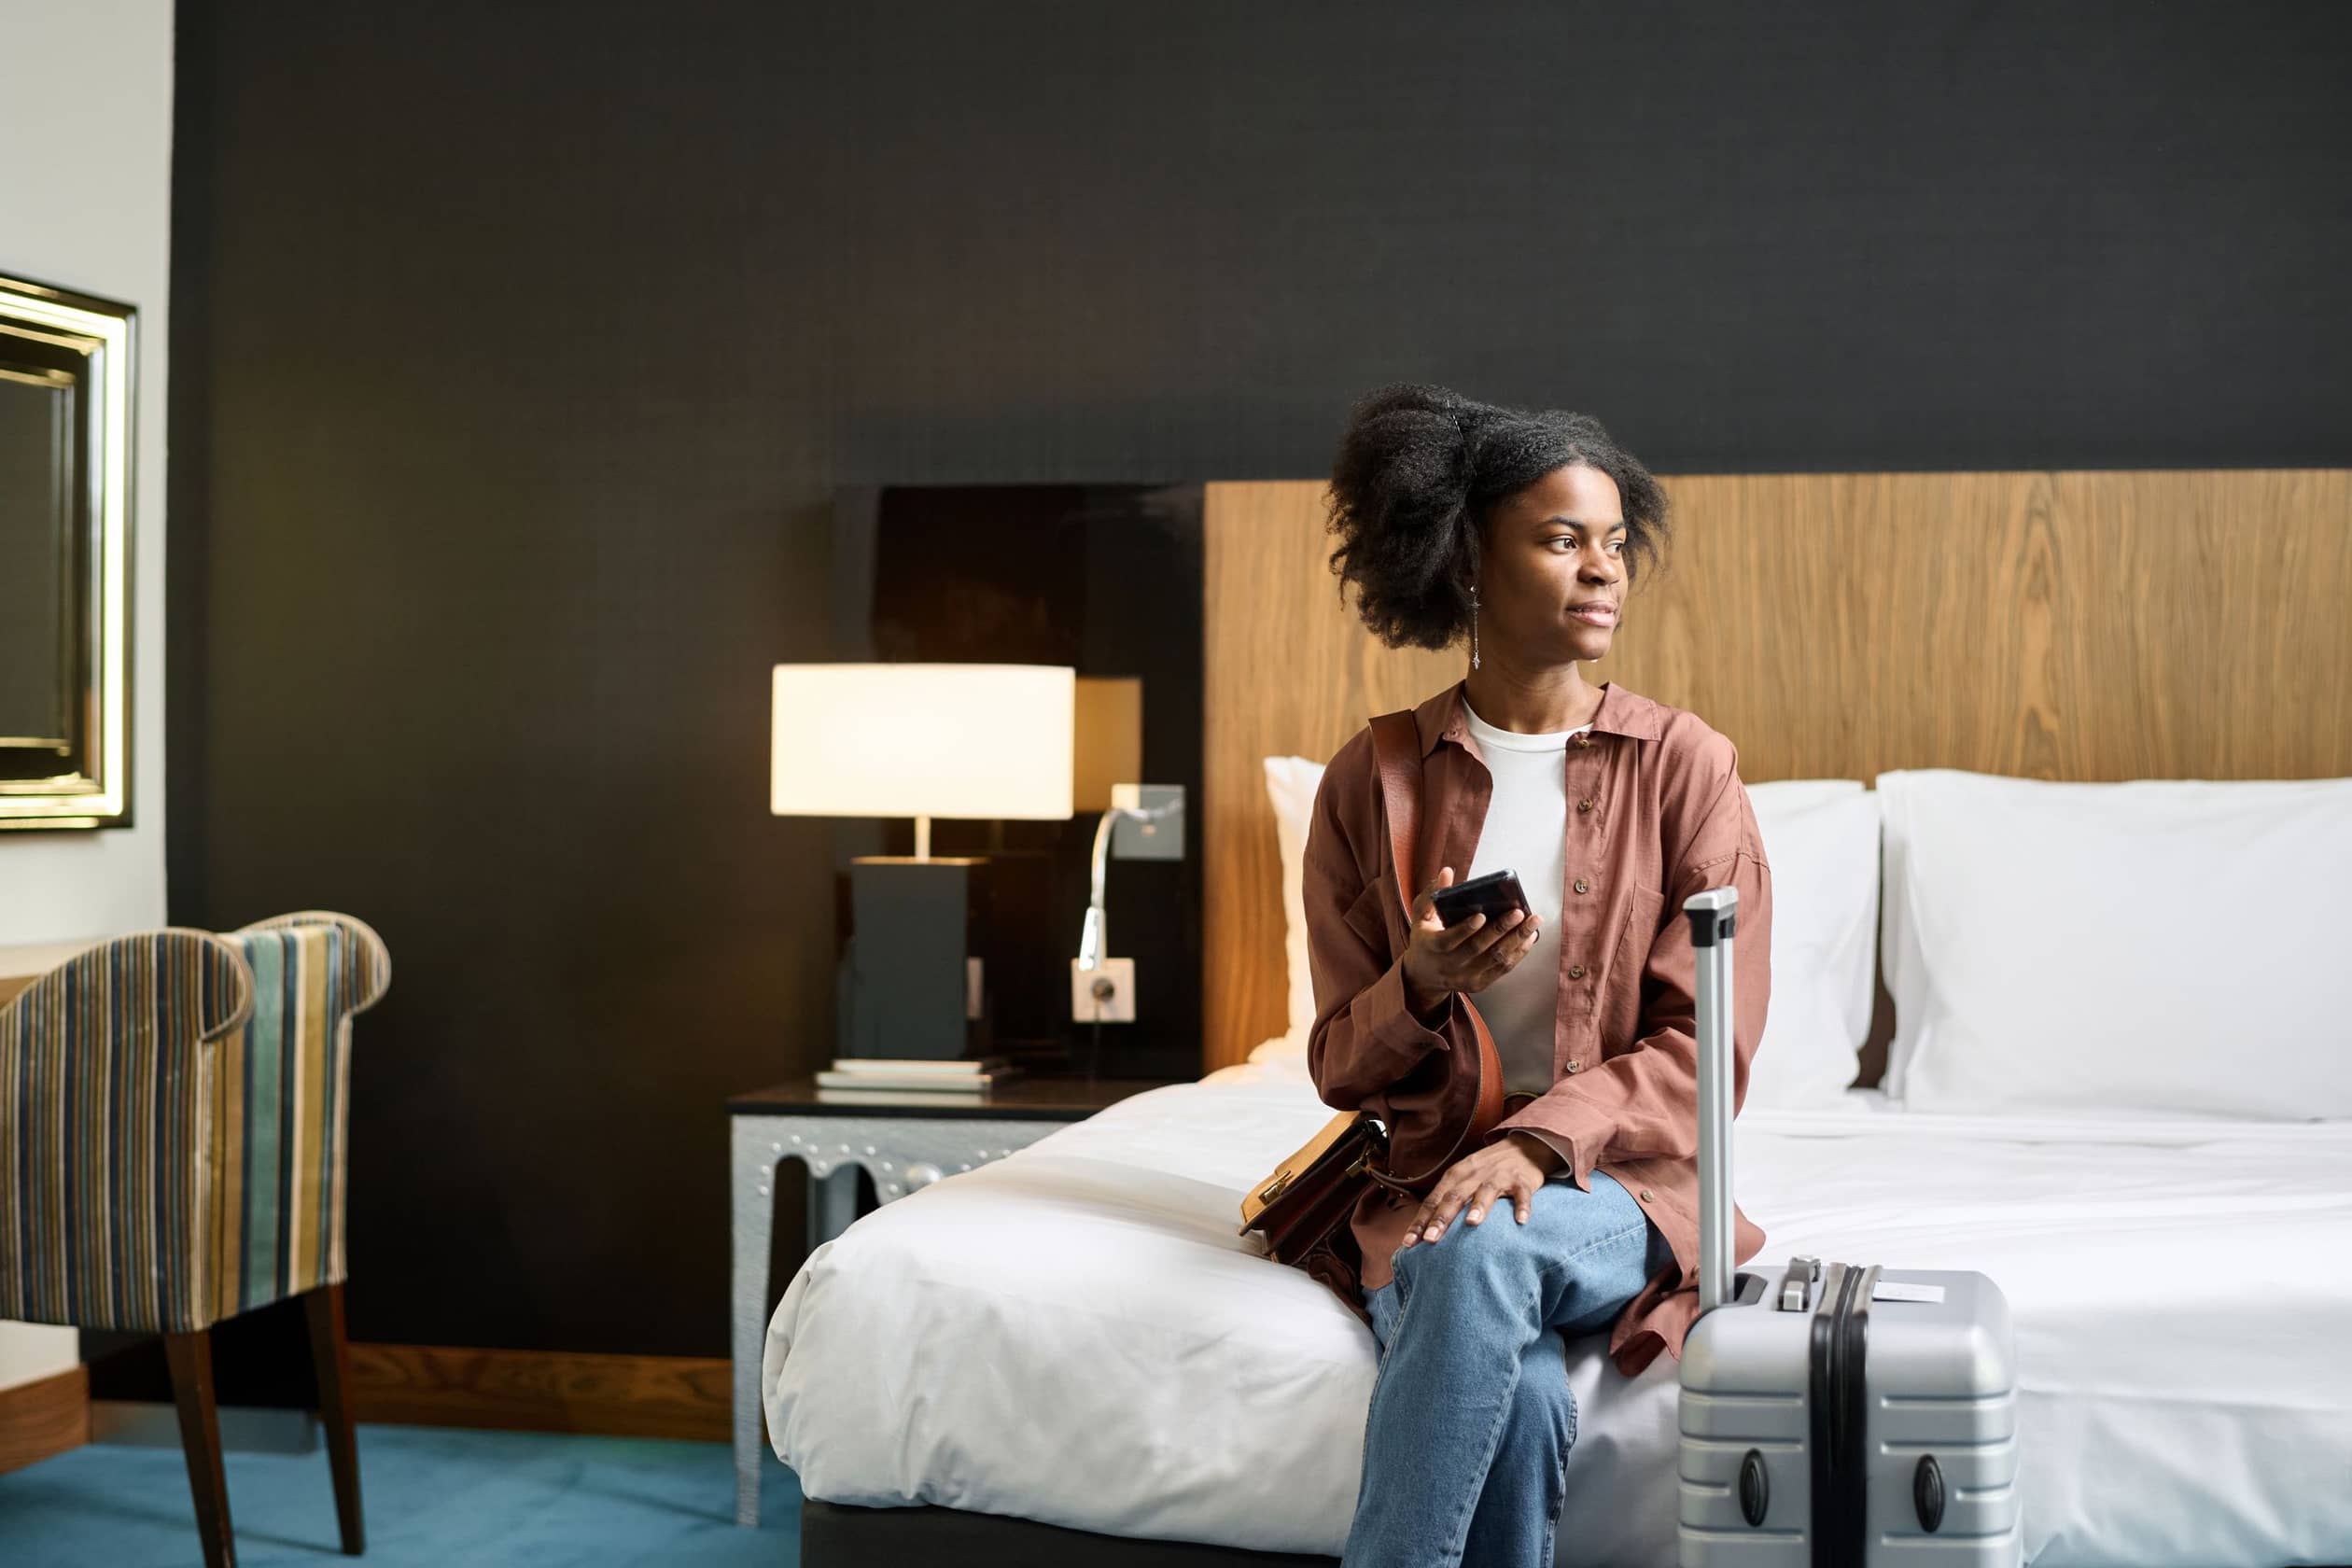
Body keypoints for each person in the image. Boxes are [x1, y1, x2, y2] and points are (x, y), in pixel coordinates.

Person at [1300, 385, 1773, 1568]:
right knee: (1512, 1397)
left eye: (1615, 544)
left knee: (1477, 1252)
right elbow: (1335, 1066)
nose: (1602, 570)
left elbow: (1704, 1053)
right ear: (1468, 556)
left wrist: (1537, 1143)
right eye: (1562, 540)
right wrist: (1415, 984)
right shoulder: (1375, 779)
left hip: (1626, 1188)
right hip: (1425, 1181)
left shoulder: (1686, 768)